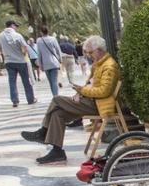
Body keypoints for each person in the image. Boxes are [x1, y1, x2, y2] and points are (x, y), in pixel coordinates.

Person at [19, 35, 119, 164]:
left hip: (99, 105)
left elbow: (104, 91)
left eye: (90, 52)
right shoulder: (98, 65)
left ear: (99, 50)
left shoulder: (109, 66)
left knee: (57, 100)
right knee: (57, 114)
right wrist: (81, 92)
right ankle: (57, 151)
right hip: (92, 101)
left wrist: (82, 91)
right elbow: (92, 84)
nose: (88, 55)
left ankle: (43, 132)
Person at [0, 20, 36, 107]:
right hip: (20, 61)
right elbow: (25, 47)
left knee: (12, 81)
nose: (16, 28)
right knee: (26, 80)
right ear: (12, 26)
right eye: (16, 26)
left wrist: (4, 53)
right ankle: (30, 99)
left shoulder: (0, 36)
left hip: (9, 62)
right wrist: (24, 54)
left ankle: (15, 100)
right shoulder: (17, 35)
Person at [35, 26, 63, 96]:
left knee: (50, 81)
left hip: (45, 63)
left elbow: (39, 53)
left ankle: (54, 95)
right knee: (54, 80)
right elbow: (58, 50)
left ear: (41, 32)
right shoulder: (53, 39)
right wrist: (60, 60)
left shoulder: (39, 40)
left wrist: (41, 65)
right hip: (54, 62)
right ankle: (55, 95)